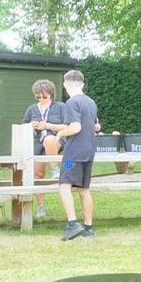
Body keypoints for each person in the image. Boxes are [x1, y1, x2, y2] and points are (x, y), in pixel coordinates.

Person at [55, 70, 98, 241]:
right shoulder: (91, 102)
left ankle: (72, 224)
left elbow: (75, 127)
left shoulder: (72, 102)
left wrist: (61, 133)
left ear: (65, 85)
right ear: (82, 84)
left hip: (73, 155)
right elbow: (96, 126)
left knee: (64, 184)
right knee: (84, 189)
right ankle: (88, 228)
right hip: (89, 152)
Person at [21, 79, 66, 217]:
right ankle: (41, 207)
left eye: (44, 96)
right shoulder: (31, 109)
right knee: (37, 175)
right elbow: (23, 126)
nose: (41, 98)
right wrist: (31, 126)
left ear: (51, 94)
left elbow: (67, 126)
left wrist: (47, 125)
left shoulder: (60, 107)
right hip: (37, 144)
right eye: (38, 96)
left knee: (49, 139)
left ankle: (55, 169)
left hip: (56, 140)